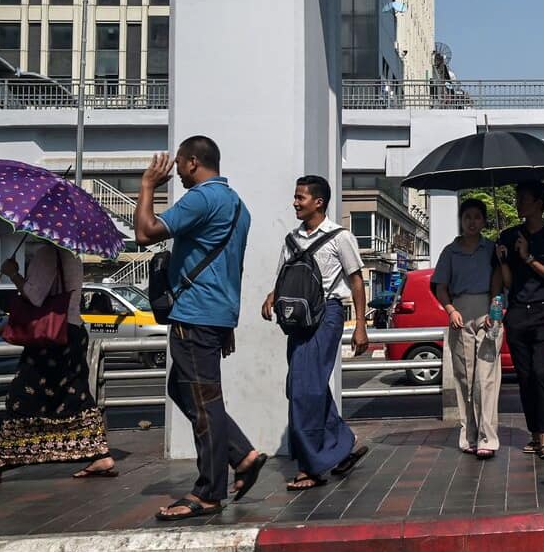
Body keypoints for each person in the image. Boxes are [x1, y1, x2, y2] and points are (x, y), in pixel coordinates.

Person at [136, 136, 266, 521]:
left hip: (194, 315)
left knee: (204, 402)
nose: (174, 171)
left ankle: (208, 491)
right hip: (216, 313)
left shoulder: (201, 198)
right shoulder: (239, 206)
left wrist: (146, 186)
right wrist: (228, 320)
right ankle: (242, 455)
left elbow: (146, 233)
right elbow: (234, 268)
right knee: (183, 388)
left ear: (193, 162)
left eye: (178, 163)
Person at [0, 244, 116, 484]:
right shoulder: (71, 255)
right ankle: (100, 455)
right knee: (75, 396)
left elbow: (35, 297)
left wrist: (12, 273)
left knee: (21, 397)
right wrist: (7, 326)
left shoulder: (47, 253)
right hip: (72, 332)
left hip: (52, 340)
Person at [261, 175, 371, 490]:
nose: (295, 203)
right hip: (296, 318)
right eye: (295, 197)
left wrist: (360, 326)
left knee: (304, 389)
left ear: (319, 202)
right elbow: (284, 276)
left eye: (301, 198)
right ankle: (341, 446)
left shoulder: (340, 237)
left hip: (328, 315)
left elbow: (357, 280)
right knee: (304, 385)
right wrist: (271, 296)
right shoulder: (291, 239)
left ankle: (310, 466)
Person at [496, 181, 544, 461]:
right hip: (516, 313)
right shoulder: (508, 235)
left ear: (539, 202)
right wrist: (504, 260)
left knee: (541, 372)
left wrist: (527, 258)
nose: (518, 202)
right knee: (525, 376)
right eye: (517, 197)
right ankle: (534, 434)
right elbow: (507, 283)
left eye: (523, 197)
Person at [433, 198, 505, 459]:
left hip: (488, 313)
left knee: (486, 379)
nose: (472, 222)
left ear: (484, 221)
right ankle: (469, 435)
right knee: (465, 378)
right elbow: (440, 285)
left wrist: (495, 309)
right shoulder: (450, 252)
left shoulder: (492, 249)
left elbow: (499, 280)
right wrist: (450, 310)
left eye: (477, 217)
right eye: (467, 217)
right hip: (460, 314)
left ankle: (488, 437)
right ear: (461, 221)